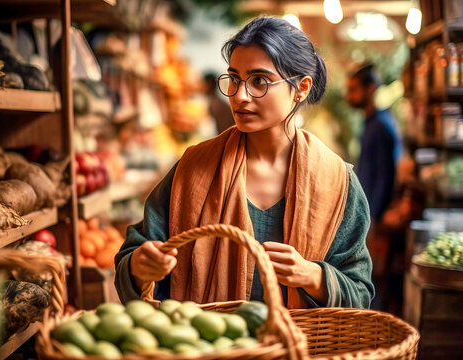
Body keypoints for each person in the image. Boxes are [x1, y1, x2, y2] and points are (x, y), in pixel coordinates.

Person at [115, 16, 374, 309]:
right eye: (235, 79)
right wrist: (141, 265)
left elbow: (360, 293)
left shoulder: (336, 182)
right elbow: (133, 255)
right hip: (205, 348)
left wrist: (313, 276)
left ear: (301, 88)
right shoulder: (193, 168)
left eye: (259, 81)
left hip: (302, 350)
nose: (239, 96)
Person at [345, 64, 402, 221]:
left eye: (353, 90)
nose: (348, 96)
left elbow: (384, 178)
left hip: (374, 216)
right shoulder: (371, 123)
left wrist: (373, 218)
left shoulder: (379, 126)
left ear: (370, 89)